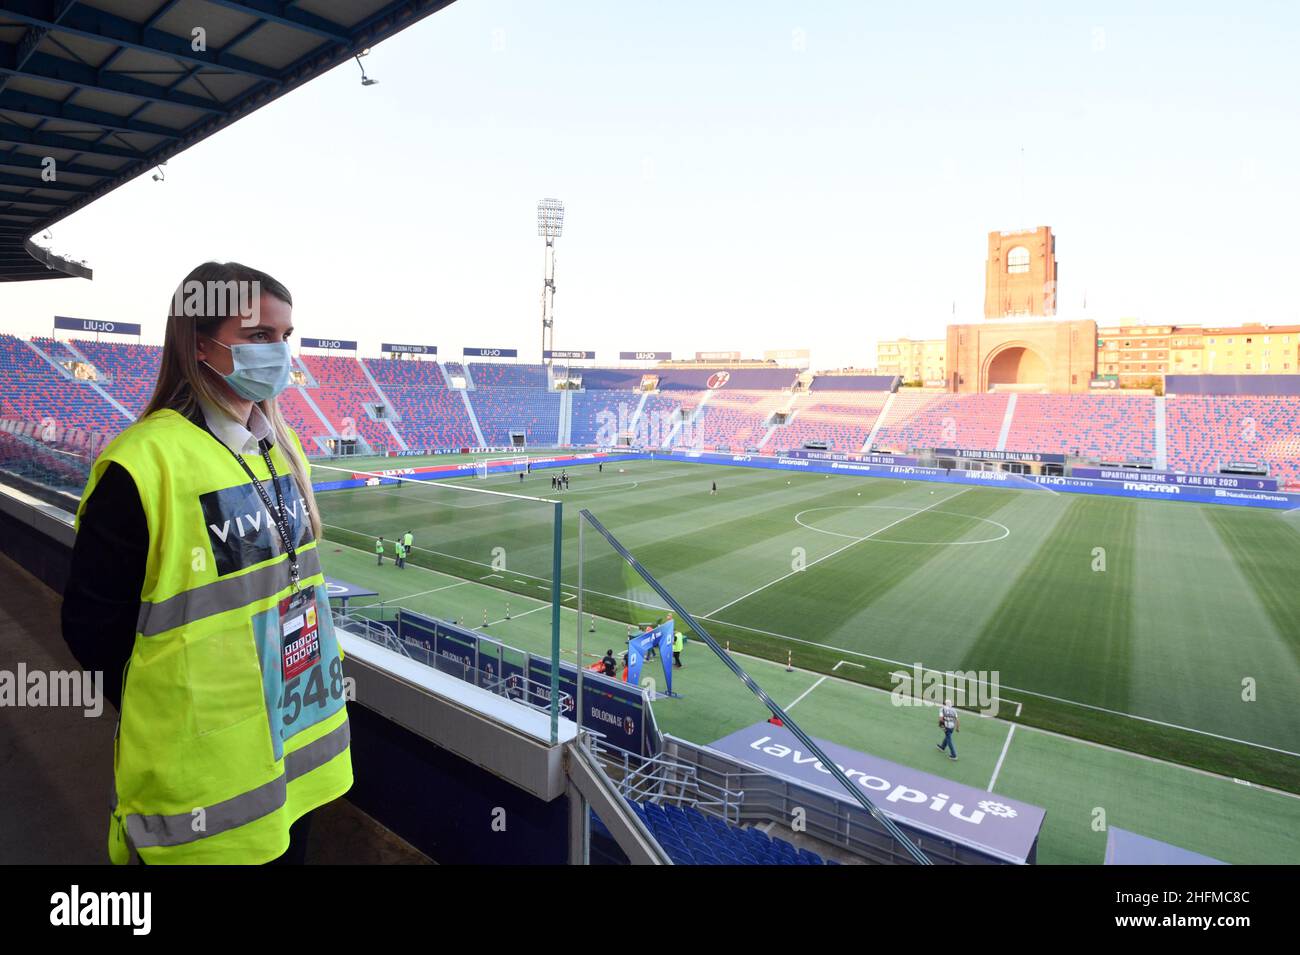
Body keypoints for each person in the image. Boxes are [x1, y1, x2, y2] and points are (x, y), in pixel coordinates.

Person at [61, 261, 352, 865]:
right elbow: (93, 632)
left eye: (285, 338)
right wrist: (185, 706)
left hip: (289, 771)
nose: (279, 354)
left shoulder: (280, 447)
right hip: (198, 791)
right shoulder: (142, 464)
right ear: (200, 345)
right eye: (258, 337)